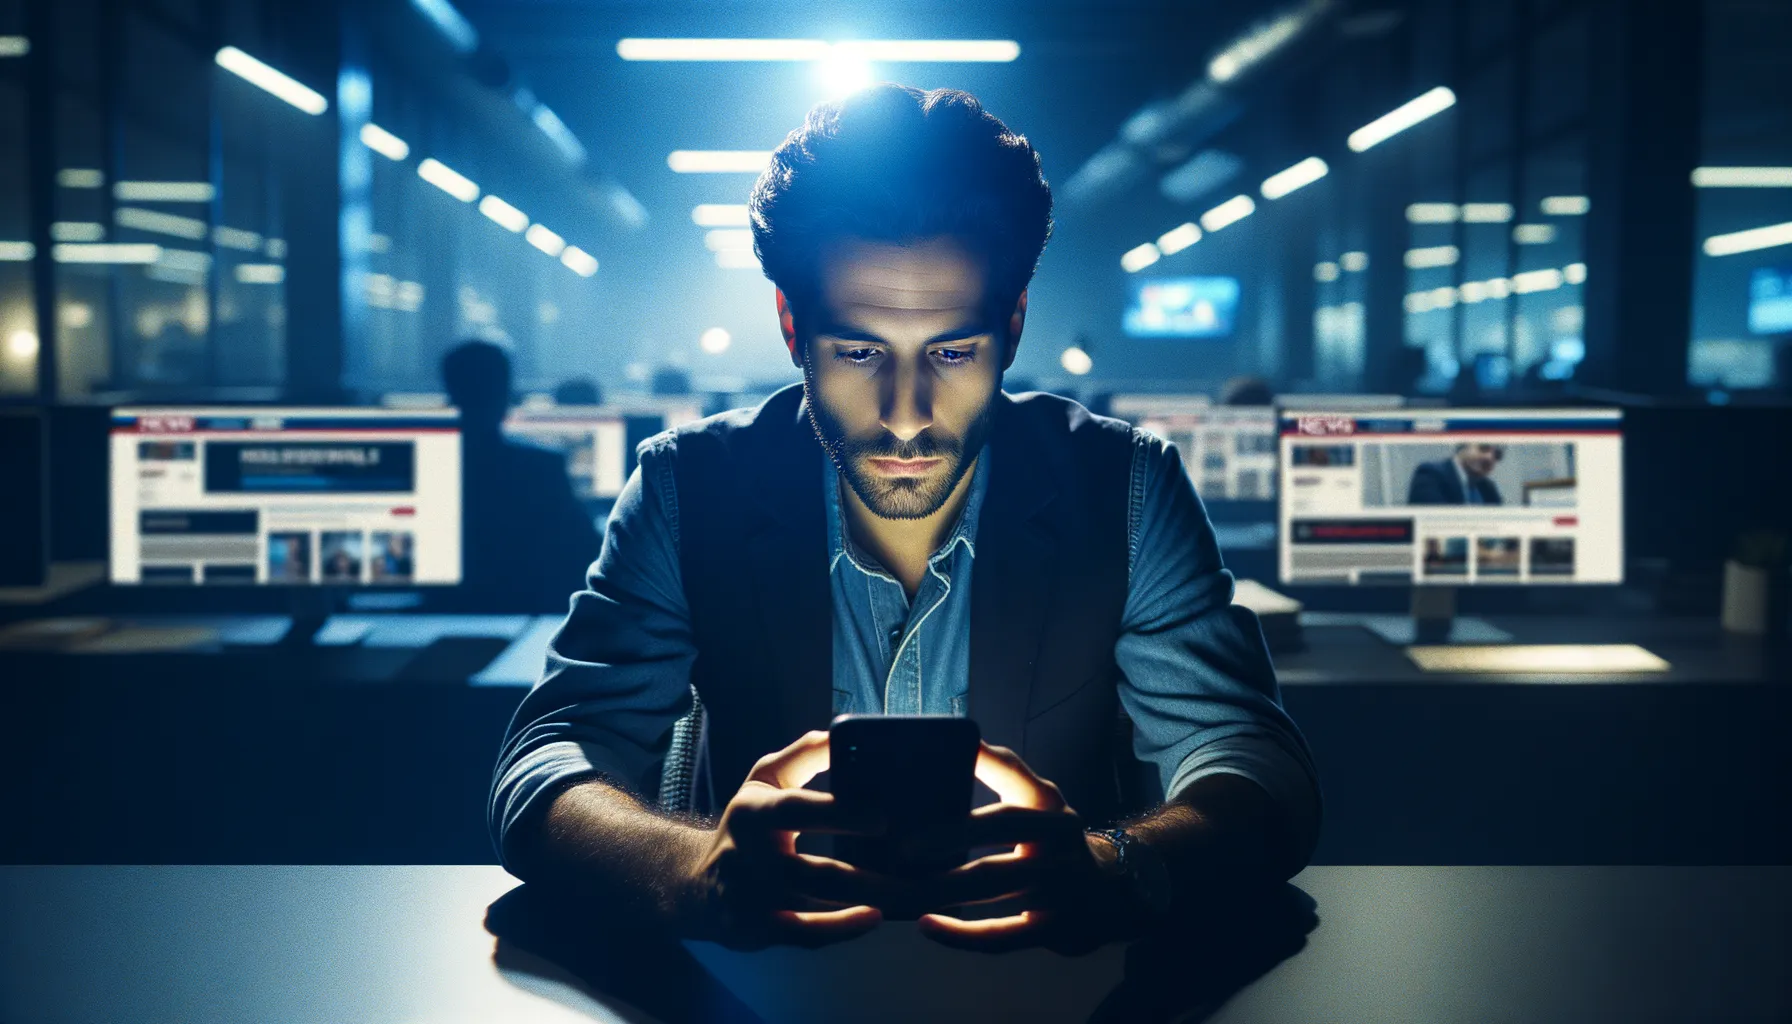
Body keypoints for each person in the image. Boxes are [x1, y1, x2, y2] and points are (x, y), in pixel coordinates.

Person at [490, 85, 1320, 956]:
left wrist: (1117, 869)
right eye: (858, 352)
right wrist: (685, 871)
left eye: (953, 352)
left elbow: (1257, 763)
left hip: (1046, 991)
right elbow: (548, 759)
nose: (906, 415)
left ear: (1013, 322)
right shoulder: (685, 488)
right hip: (766, 986)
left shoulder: (1127, 488)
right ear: (790, 327)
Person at [444, 340, 601, 611]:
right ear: (506, 396)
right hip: (533, 613)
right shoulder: (541, 468)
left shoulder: (429, 467)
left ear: (450, 395)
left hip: (445, 608)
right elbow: (589, 554)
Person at [1408, 443, 1504, 505]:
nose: (1490, 458)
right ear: (1463, 445)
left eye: (1497, 454)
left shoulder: (1489, 489)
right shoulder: (1430, 475)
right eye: (1484, 448)